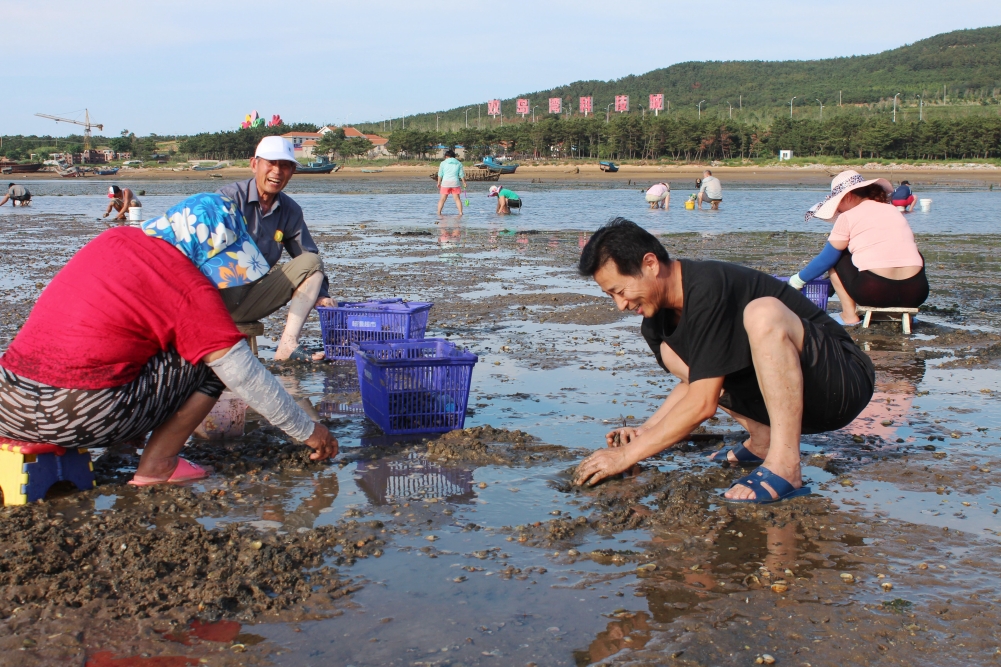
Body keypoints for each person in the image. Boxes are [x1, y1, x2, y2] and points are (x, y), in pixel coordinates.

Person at [0, 193, 338, 486]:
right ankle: (158, 464)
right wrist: (308, 429)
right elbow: (242, 373)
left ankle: (122, 443)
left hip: (9, 403)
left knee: (132, 343)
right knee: (211, 362)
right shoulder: (185, 281)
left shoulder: (113, 241)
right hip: (75, 413)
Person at [573, 218, 874, 503]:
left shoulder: (708, 286)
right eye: (611, 295)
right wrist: (646, 431)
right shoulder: (655, 324)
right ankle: (762, 440)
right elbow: (697, 383)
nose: (621, 304)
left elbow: (703, 404)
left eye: (620, 291)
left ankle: (785, 465)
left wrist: (626, 456)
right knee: (672, 353)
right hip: (797, 399)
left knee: (763, 313)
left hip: (842, 381)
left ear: (650, 264)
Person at [217, 136, 333, 362]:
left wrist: (322, 295)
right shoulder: (227, 198)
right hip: (215, 296)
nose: (277, 171)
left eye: (285, 165)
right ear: (254, 164)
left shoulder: (290, 210)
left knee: (312, 264)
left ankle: (287, 345)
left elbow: (306, 254)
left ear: (292, 172)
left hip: (250, 299)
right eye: (271, 163)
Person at [790, 170, 928, 325]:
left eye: (838, 205)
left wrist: (796, 281)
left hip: (874, 291)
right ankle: (904, 313)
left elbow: (827, 259)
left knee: (838, 255)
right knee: (912, 253)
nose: (839, 211)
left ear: (847, 197)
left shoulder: (848, 216)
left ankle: (849, 315)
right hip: (916, 292)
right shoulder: (892, 210)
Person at [436, 149, 466, 215]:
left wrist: (438, 182)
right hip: (455, 183)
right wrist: (464, 182)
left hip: (445, 183)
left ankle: (439, 212)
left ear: (446, 156)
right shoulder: (458, 163)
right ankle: (460, 213)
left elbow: (440, 174)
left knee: (442, 199)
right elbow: (461, 174)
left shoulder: (443, 163)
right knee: (457, 199)